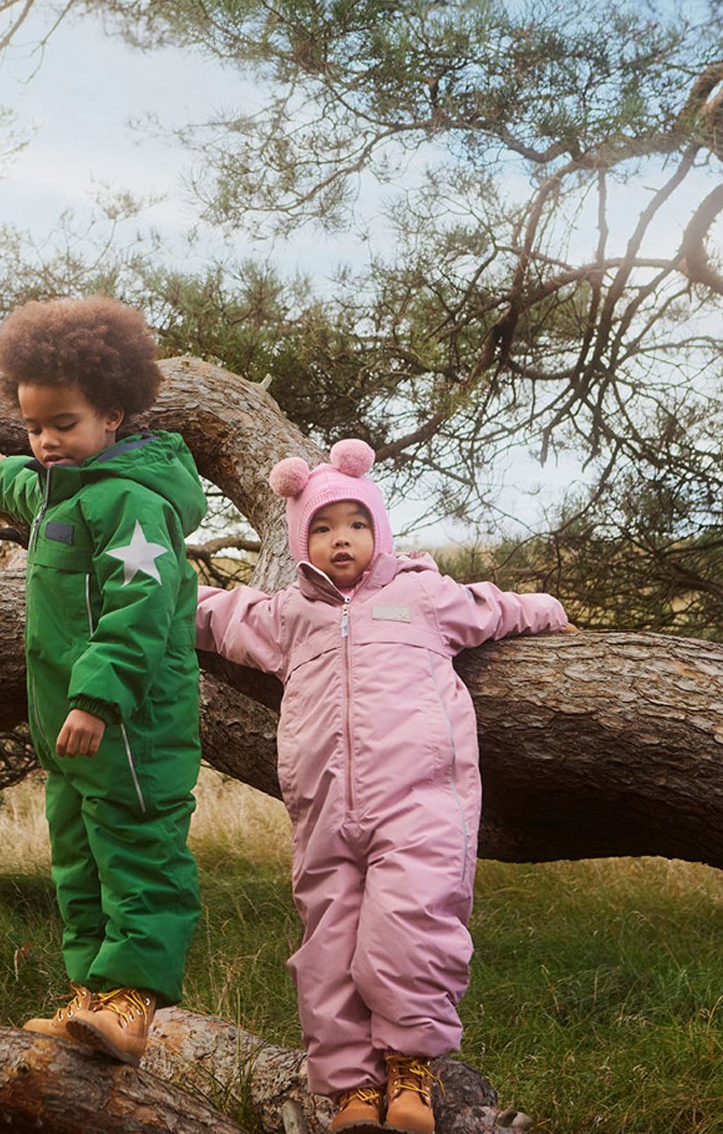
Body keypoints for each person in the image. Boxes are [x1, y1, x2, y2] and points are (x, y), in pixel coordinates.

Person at [195, 439, 572, 1133]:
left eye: (357, 524)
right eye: (324, 528)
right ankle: (351, 1091)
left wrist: (545, 607)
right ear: (302, 541)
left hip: (421, 800)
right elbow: (219, 615)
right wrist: (146, 595)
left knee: (414, 926)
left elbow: (493, 607)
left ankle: (409, 1072)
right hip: (322, 809)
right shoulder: (290, 613)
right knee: (328, 940)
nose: (343, 540)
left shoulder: (422, 594)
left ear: (381, 530)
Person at [0, 295, 206, 1067]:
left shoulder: (135, 500)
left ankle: (134, 998)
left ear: (112, 415)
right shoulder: (59, 483)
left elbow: (141, 608)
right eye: (33, 428)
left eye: (62, 426)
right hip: (68, 727)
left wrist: (98, 697)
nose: (45, 443)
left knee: (137, 849)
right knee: (76, 855)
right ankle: (88, 994)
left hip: (129, 721)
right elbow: (26, 487)